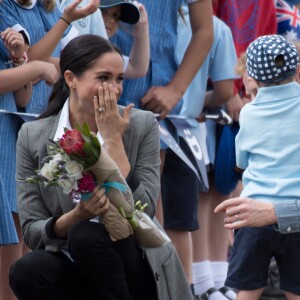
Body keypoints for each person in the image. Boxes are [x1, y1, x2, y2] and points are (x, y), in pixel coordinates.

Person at [9, 34, 194, 300]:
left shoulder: (141, 124)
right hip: (74, 259)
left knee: (87, 236)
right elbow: (32, 230)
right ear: (71, 78)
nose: (115, 89)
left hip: (134, 260)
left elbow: (145, 209)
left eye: (119, 79)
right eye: (104, 78)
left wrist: (113, 141)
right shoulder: (33, 134)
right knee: (27, 269)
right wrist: (76, 216)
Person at [161, 7, 237, 299]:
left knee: (162, 214)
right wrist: (197, 100)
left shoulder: (140, 14)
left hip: (150, 123)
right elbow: (224, 91)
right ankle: (192, 288)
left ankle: (195, 286)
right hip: (187, 128)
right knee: (183, 218)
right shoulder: (218, 27)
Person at [220, 34, 300, 300]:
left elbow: (241, 161)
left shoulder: (249, 113)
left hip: (253, 212)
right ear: (296, 69)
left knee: (247, 289)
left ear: (252, 76)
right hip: (296, 213)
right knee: (296, 289)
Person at [60, 0, 150, 79]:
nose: (111, 20)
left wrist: (143, 25)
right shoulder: (70, 38)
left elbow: (137, 68)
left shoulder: (100, 51)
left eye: (116, 15)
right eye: (103, 11)